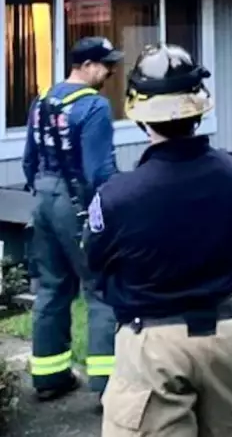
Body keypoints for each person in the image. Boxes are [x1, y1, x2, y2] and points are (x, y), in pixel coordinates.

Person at [85, 43, 232, 436]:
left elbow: (97, 266)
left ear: (138, 115)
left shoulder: (118, 197)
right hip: (224, 339)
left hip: (151, 346)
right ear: (198, 110)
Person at [22, 36, 122, 401]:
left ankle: (49, 378)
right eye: (106, 65)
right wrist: (114, 207)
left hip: (44, 198)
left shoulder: (42, 101)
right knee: (100, 289)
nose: (111, 71)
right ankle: (107, 386)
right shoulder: (94, 107)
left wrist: (44, 192)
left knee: (50, 287)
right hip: (77, 202)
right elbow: (100, 171)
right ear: (86, 66)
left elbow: (29, 159)